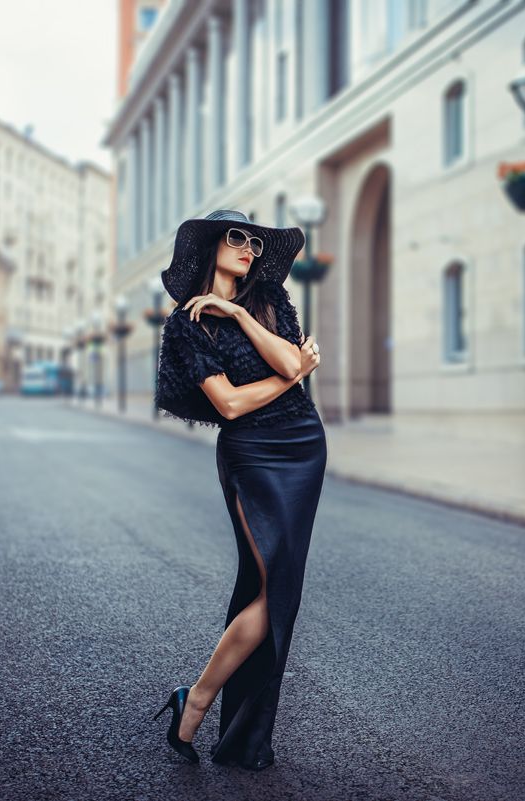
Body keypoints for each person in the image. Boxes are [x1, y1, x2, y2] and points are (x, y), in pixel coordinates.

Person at [150, 209, 326, 770]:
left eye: (255, 241)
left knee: (277, 587)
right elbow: (229, 404)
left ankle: (206, 711)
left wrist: (238, 313)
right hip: (250, 454)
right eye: (237, 238)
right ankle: (199, 701)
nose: (249, 248)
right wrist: (292, 375)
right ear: (211, 246)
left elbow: (288, 359)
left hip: (303, 445)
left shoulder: (268, 299)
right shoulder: (186, 324)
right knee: (274, 588)